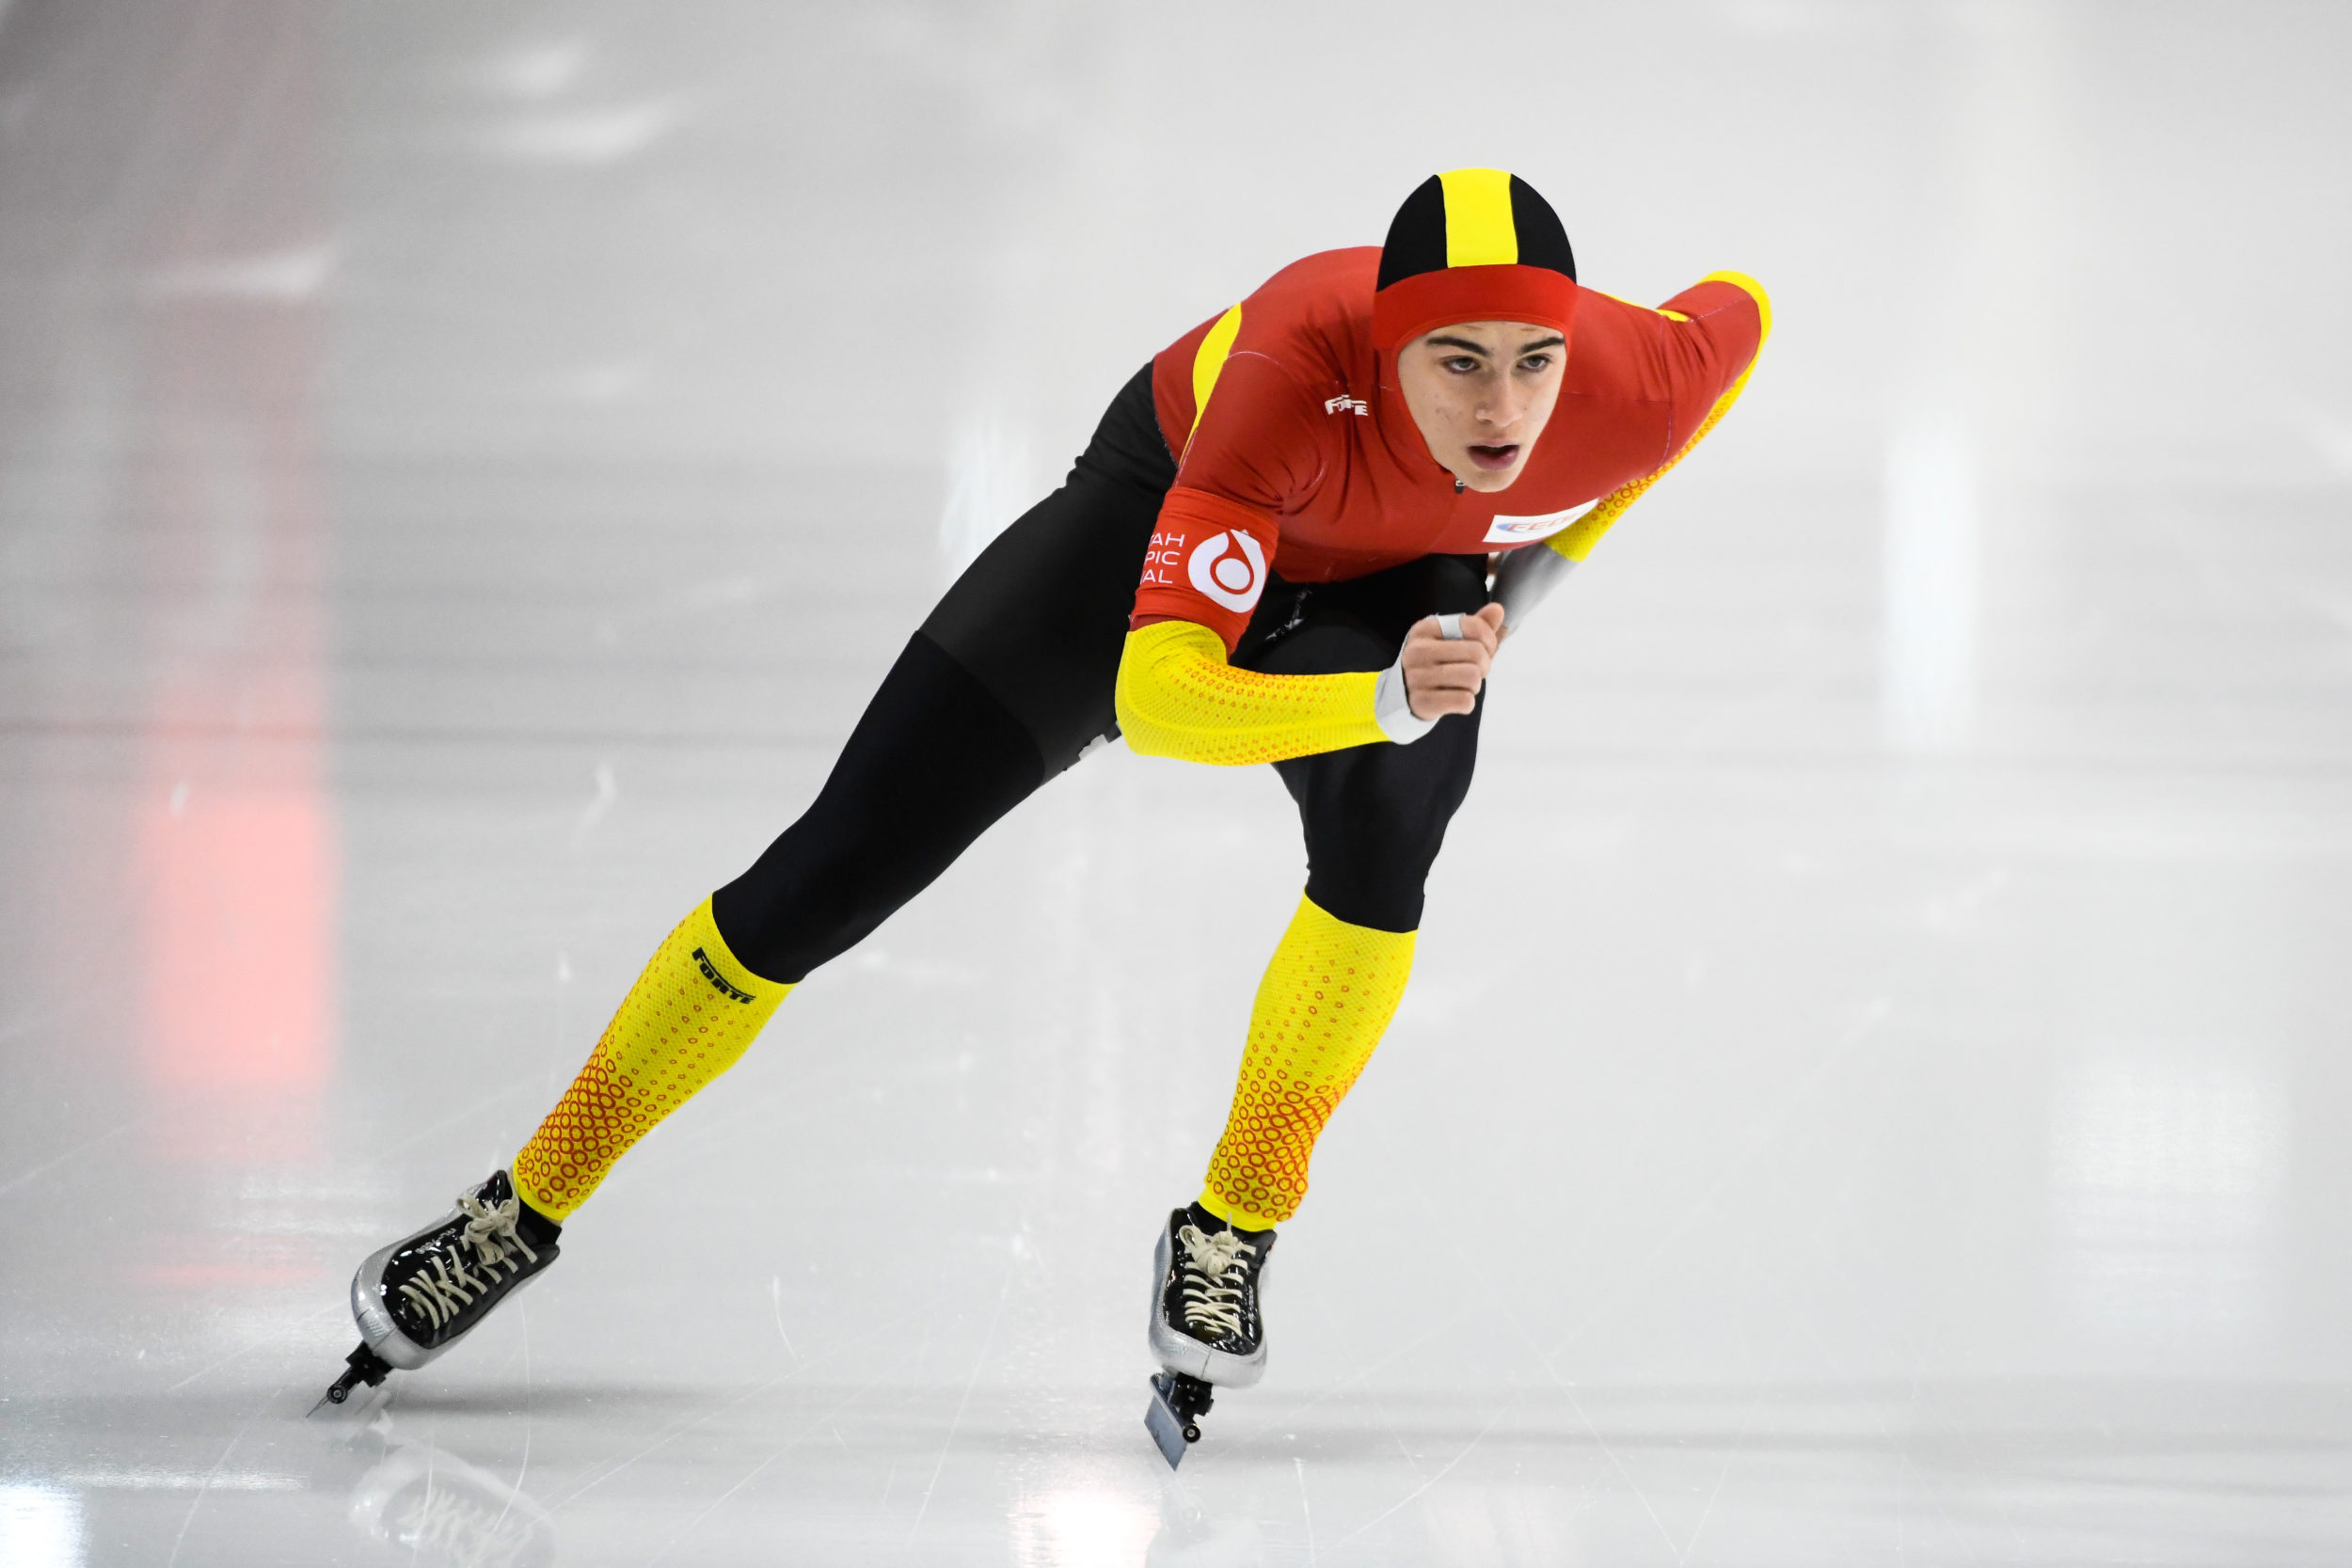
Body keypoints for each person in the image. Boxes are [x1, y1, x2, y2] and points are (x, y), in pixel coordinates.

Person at [316, 168, 1770, 1426]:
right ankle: (523, 1203)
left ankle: (1238, 1216)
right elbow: (1157, 701)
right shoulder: (1287, 364)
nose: (1502, 408)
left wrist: (1538, 574)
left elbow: (1741, 312)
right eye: (1455, 363)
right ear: (1386, 352)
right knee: (831, 871)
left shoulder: (1635, 383)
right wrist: (1390, 693)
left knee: (1393, 834)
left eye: (1533, 363)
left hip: (1392, 575)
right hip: (1159, 514)